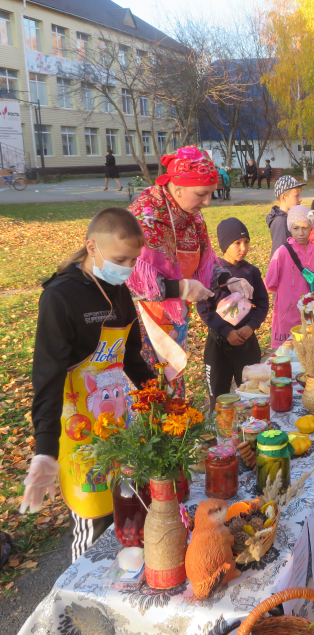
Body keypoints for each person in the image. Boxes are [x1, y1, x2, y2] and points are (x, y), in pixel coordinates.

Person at [22, 208, 155, 562]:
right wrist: (46, 448)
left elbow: (132, 360)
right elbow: (47, 375)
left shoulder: (119, 292)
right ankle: (85, 604)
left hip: (119, 424)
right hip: (79, 432)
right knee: (95, 528)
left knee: (129, 512)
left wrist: (158, 397)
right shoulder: (60, 297)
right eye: (119, 259)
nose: (126, 268)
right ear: (91, 246)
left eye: (132, 260)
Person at [126, 146, 253, 396]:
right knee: (149, 393)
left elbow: (206, 263)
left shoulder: (192, 217)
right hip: (142, 325)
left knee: (173, 387)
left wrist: (229, 280)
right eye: (201, 194)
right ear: (178, 187)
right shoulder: (144, 218)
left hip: (176, 322)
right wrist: (180, 288)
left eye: (210, 194)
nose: (207, 202)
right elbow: (128, 283)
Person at [198, 218, 269, 407]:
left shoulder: (251, 272)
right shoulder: (211, 273)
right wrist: (226, 331)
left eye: (246, 242)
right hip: (218, 346)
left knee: (252, 394)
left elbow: (262, 303)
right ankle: (221, 433)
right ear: (224, 245)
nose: (243, 247)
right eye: (236, 243)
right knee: (219, 399)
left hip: (247, 346)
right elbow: (204, 310)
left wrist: (251, 326)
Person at [265, 206, 314, 348]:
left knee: (309, 354)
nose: (301, 233)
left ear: (311, 228)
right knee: (287, 353)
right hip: (287, 313)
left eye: (305, 228)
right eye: (296, 228)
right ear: (290, 228)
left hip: (310, 314)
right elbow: (270, 283)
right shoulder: (282, 252)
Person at [267, 175, 306, 256]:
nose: (300, 199)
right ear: (284, 198)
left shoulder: (288, 218)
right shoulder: (281, 221)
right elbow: (280, 253)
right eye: (296, 196)